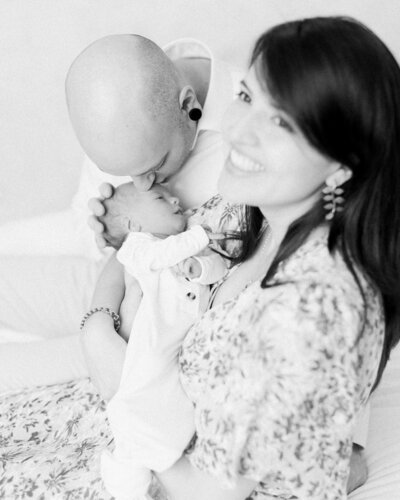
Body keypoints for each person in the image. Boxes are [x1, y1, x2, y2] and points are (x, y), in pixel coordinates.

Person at [84, 16, 400, 499]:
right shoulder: (246, 210)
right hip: (146, 434)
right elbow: (148, 254)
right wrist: (99, 326)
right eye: (247, 97)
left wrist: (124, 396)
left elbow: (209, 492)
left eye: (281, 122)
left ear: (340, 167)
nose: (237, 130)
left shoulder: (314, 308)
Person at [93, 182, 241, 500]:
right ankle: (128, 477)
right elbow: (160, 256)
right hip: (153, 339)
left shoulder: (184, 242)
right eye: (161, 198)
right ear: (134, 224)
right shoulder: (137, 248)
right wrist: (198, 237)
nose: (176, 199)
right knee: (141, 393)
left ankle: (152, 452)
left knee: (171, 401)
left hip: (180, 343)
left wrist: (199, 266)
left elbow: (217, 268)